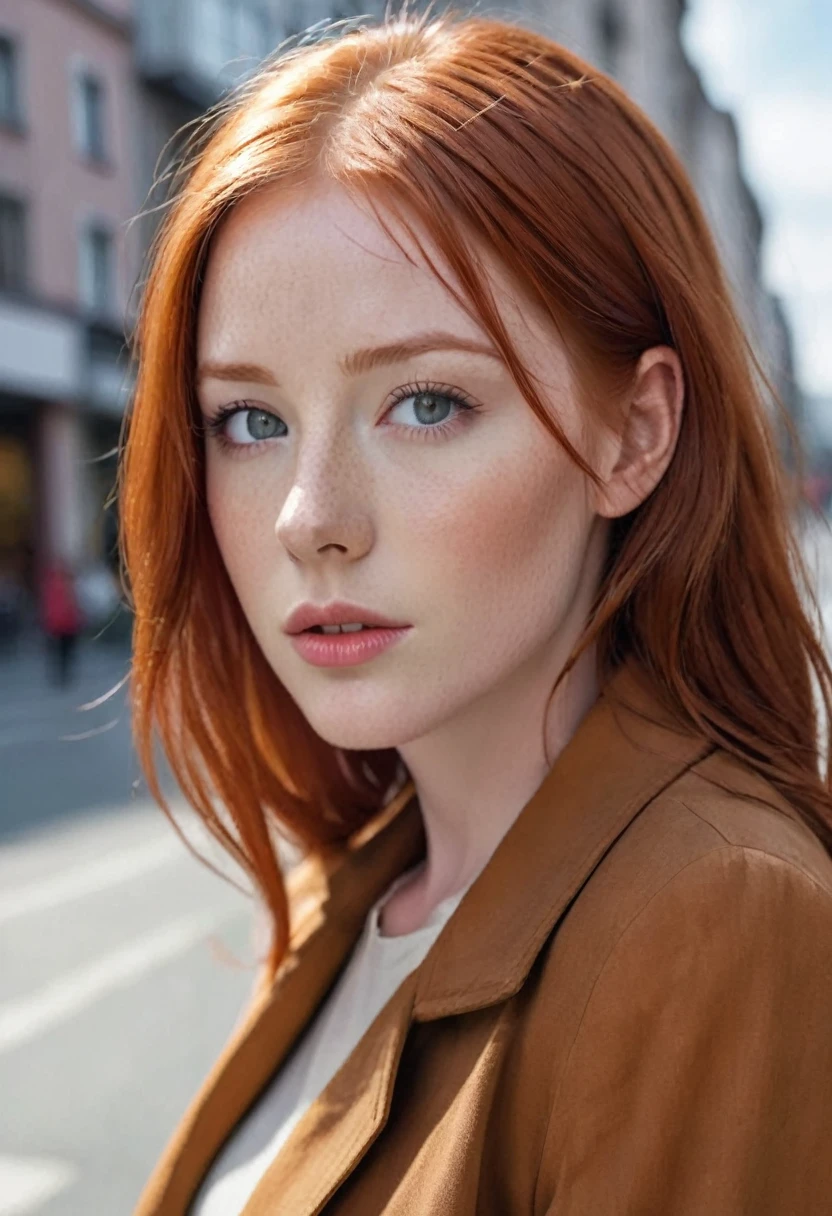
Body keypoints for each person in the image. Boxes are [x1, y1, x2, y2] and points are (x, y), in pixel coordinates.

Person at [123, 8, 832, 1214]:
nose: (309, 516)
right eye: (251, 420)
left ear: (636, 433)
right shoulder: (351, 885)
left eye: (427, 403)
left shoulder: (719, 914)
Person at [40, 558, 82, 686]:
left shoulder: (52, 586)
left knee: (60, 652)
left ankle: (61, 674)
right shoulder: (66, 586)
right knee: (65, 651)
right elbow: (72, 604)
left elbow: (48, 607)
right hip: (65, 624)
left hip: (58, 625)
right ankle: (64, 673)